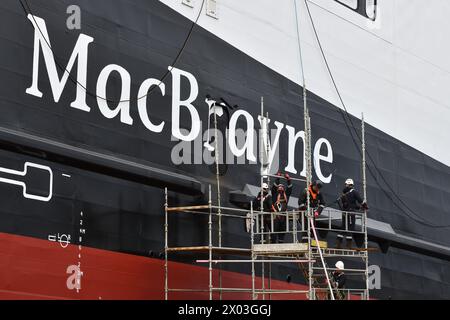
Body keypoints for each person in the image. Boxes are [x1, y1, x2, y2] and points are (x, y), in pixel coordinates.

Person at [336, 178, 368, 248]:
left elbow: (348, 203)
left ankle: (338, 243)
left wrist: (358, 207)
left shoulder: (344, 193)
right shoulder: (354, 192)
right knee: (350, 227)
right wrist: (365, 206)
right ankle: (349, 245)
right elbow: (360, 201)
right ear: (352, 185)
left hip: (344, 212)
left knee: (343, 227)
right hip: (351, 213)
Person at [271, 172, 293, 243]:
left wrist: (288, 179)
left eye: (282, 186)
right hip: (276, 216)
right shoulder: (275, 194)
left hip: (284, 216)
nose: (280, 187)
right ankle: (273, 244)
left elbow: (290, 188)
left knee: (282, 231)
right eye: (279, 186)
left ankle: (281, 243)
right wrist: (278, 178)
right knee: (274, 231)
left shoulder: (286, 195)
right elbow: (274, 187)